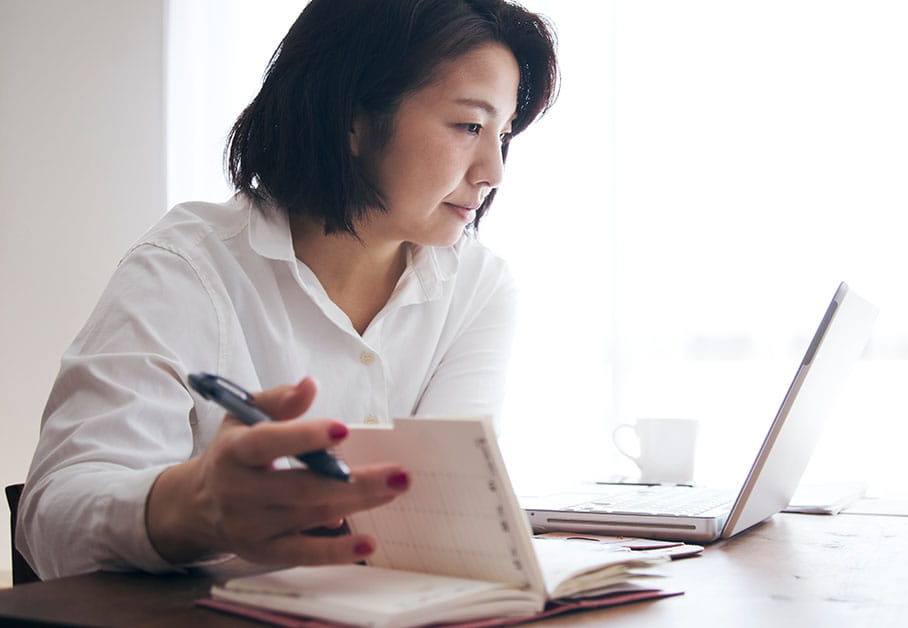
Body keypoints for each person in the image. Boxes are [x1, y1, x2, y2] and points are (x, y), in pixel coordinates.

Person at [16, 0, 558, 580]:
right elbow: (51, 518)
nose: (494, 170)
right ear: (351, 118)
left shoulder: (477, 285)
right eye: (469, 126)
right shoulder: (186, 269)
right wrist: (195, 507)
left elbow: (443, 518)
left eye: (502, 134)